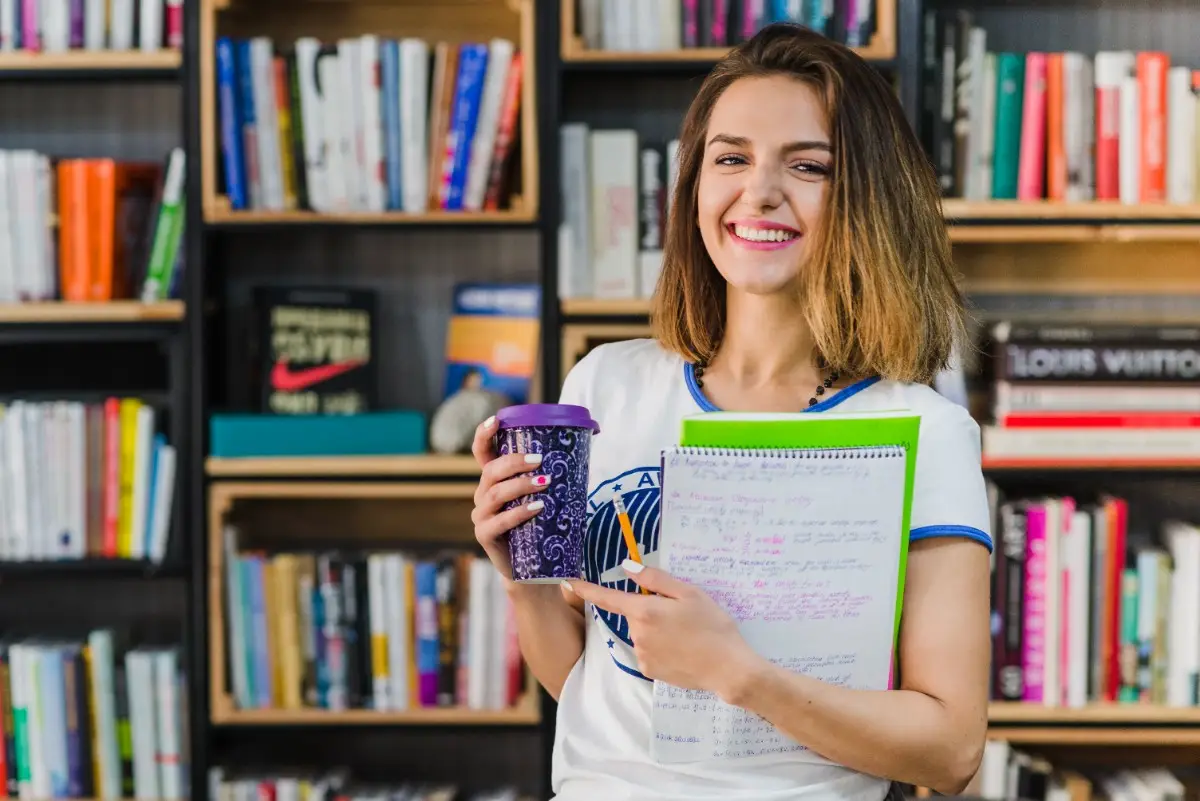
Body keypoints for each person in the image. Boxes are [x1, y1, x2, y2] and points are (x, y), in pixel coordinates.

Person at [469, 21, 992, 801]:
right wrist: (526, 586)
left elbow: (950, 751)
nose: (759, 191)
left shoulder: (926, 431)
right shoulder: (604, 388)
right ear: (694, 185)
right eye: (731, 158)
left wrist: (735, 672)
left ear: (869, 199)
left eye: (808, 165)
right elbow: (590, 688)